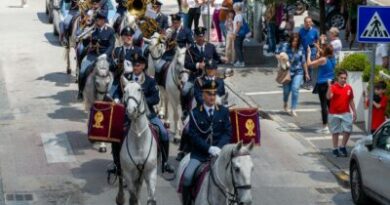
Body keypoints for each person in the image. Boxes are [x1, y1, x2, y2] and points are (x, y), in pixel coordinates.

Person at [181, 79, 232, 205]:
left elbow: (227, 132)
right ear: (203, 95)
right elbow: (193, 136)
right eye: (209, 94)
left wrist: (219, 147)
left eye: (214, 94)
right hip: (200, 155)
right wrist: (209, 149)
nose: (212, 97)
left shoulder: (223, 111)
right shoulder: (195, 113)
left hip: (220, 154)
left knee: (235, 176)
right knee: (187, 177)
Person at [122, 54, 175, 173]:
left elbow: (156, 98)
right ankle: (117, 163)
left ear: (143, 66)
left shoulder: (150, 80)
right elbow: (117, 91)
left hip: (148, 114)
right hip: (129, 114)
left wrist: (142, 102)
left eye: (138, 65)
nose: (135, 67)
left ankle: (165, 162)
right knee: (117, 134)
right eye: (133, 65)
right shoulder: (125, 78)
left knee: (164, 133)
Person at [183, 27, 226, 117]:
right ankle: (185, 111)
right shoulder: (190, 50)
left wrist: (223, 59)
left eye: (202, 36)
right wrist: (198, 65)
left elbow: (216, 59)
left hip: (209, 76)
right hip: (195, 77)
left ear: (205, 36)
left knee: (221, 89)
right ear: (194, 37)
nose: (200, 39)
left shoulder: (210, 47)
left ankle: (223, 109)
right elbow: (186, 64)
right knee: (185, 91)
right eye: (198, 37)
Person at [78, 11, 115, 100]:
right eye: (97, 19)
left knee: (115, 71)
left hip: (105, 56)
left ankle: (113, 93)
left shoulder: (110, 31)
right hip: (93, 55)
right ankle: (81, 91)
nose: (98, 21)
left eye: (100, 19)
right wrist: (85, 36)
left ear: (104, 20)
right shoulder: (92, 30)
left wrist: (106, 54)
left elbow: (111, 45)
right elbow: (86, 43)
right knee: (83, 71)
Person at [276, 33, 308, 117]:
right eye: (293, 41)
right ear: (291, 40)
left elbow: (303, 61)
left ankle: (293, 108)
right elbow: (276, 54)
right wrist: (281, 58)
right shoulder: (285, 46)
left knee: (295, 89)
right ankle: (285, 102)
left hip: (298, 72)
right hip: (287, 72)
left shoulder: (300, 48)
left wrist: (306, 73)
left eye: (296, 41)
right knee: (286, 91)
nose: (295, 43)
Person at [327, 70, 357, 157]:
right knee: (335, 132)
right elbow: (329, 97)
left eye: (345, 78)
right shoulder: (333, 87)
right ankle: (335, 148)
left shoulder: (349, 88)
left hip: (346, 112)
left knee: (348, 130)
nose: (343, 79)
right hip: (334, 113)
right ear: (338, 78)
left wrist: (354, 112)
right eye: (342, 78)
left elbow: (351, 100)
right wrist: (329, 87)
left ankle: (343, 146)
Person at [307, 44, 336, 134]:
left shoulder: (323, 59)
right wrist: (319, 47)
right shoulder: (333, 59)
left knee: (324, 105)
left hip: (323, 84)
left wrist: (309, 53)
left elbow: (310, 64)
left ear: (326, 51)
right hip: (331, 82)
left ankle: (325, 127)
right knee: (330, 105)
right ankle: (333, 125)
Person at [299, 16, 319, 90]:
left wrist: (317, 51)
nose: (308, 23)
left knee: (310, 66)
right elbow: (299, 41)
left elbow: (317, 41)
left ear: (311, 23)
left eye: (309, 22)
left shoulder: (315, 31)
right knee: (304, 66)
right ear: (304, 23)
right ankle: (305, 81)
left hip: (312, 50)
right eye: (306, 22)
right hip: (303, 49)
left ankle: (309, 83)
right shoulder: (301, 31)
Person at [232, 2, 245, 67]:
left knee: (237, 48)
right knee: (238, 48)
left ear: (237, 8)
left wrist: (235, 33)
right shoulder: (239, 15)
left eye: (234, 7)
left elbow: (239, 25)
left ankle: (241, 62)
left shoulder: (238, 15)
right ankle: (239, 61)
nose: (233, 8)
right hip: (239, 34)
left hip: (238, 34)